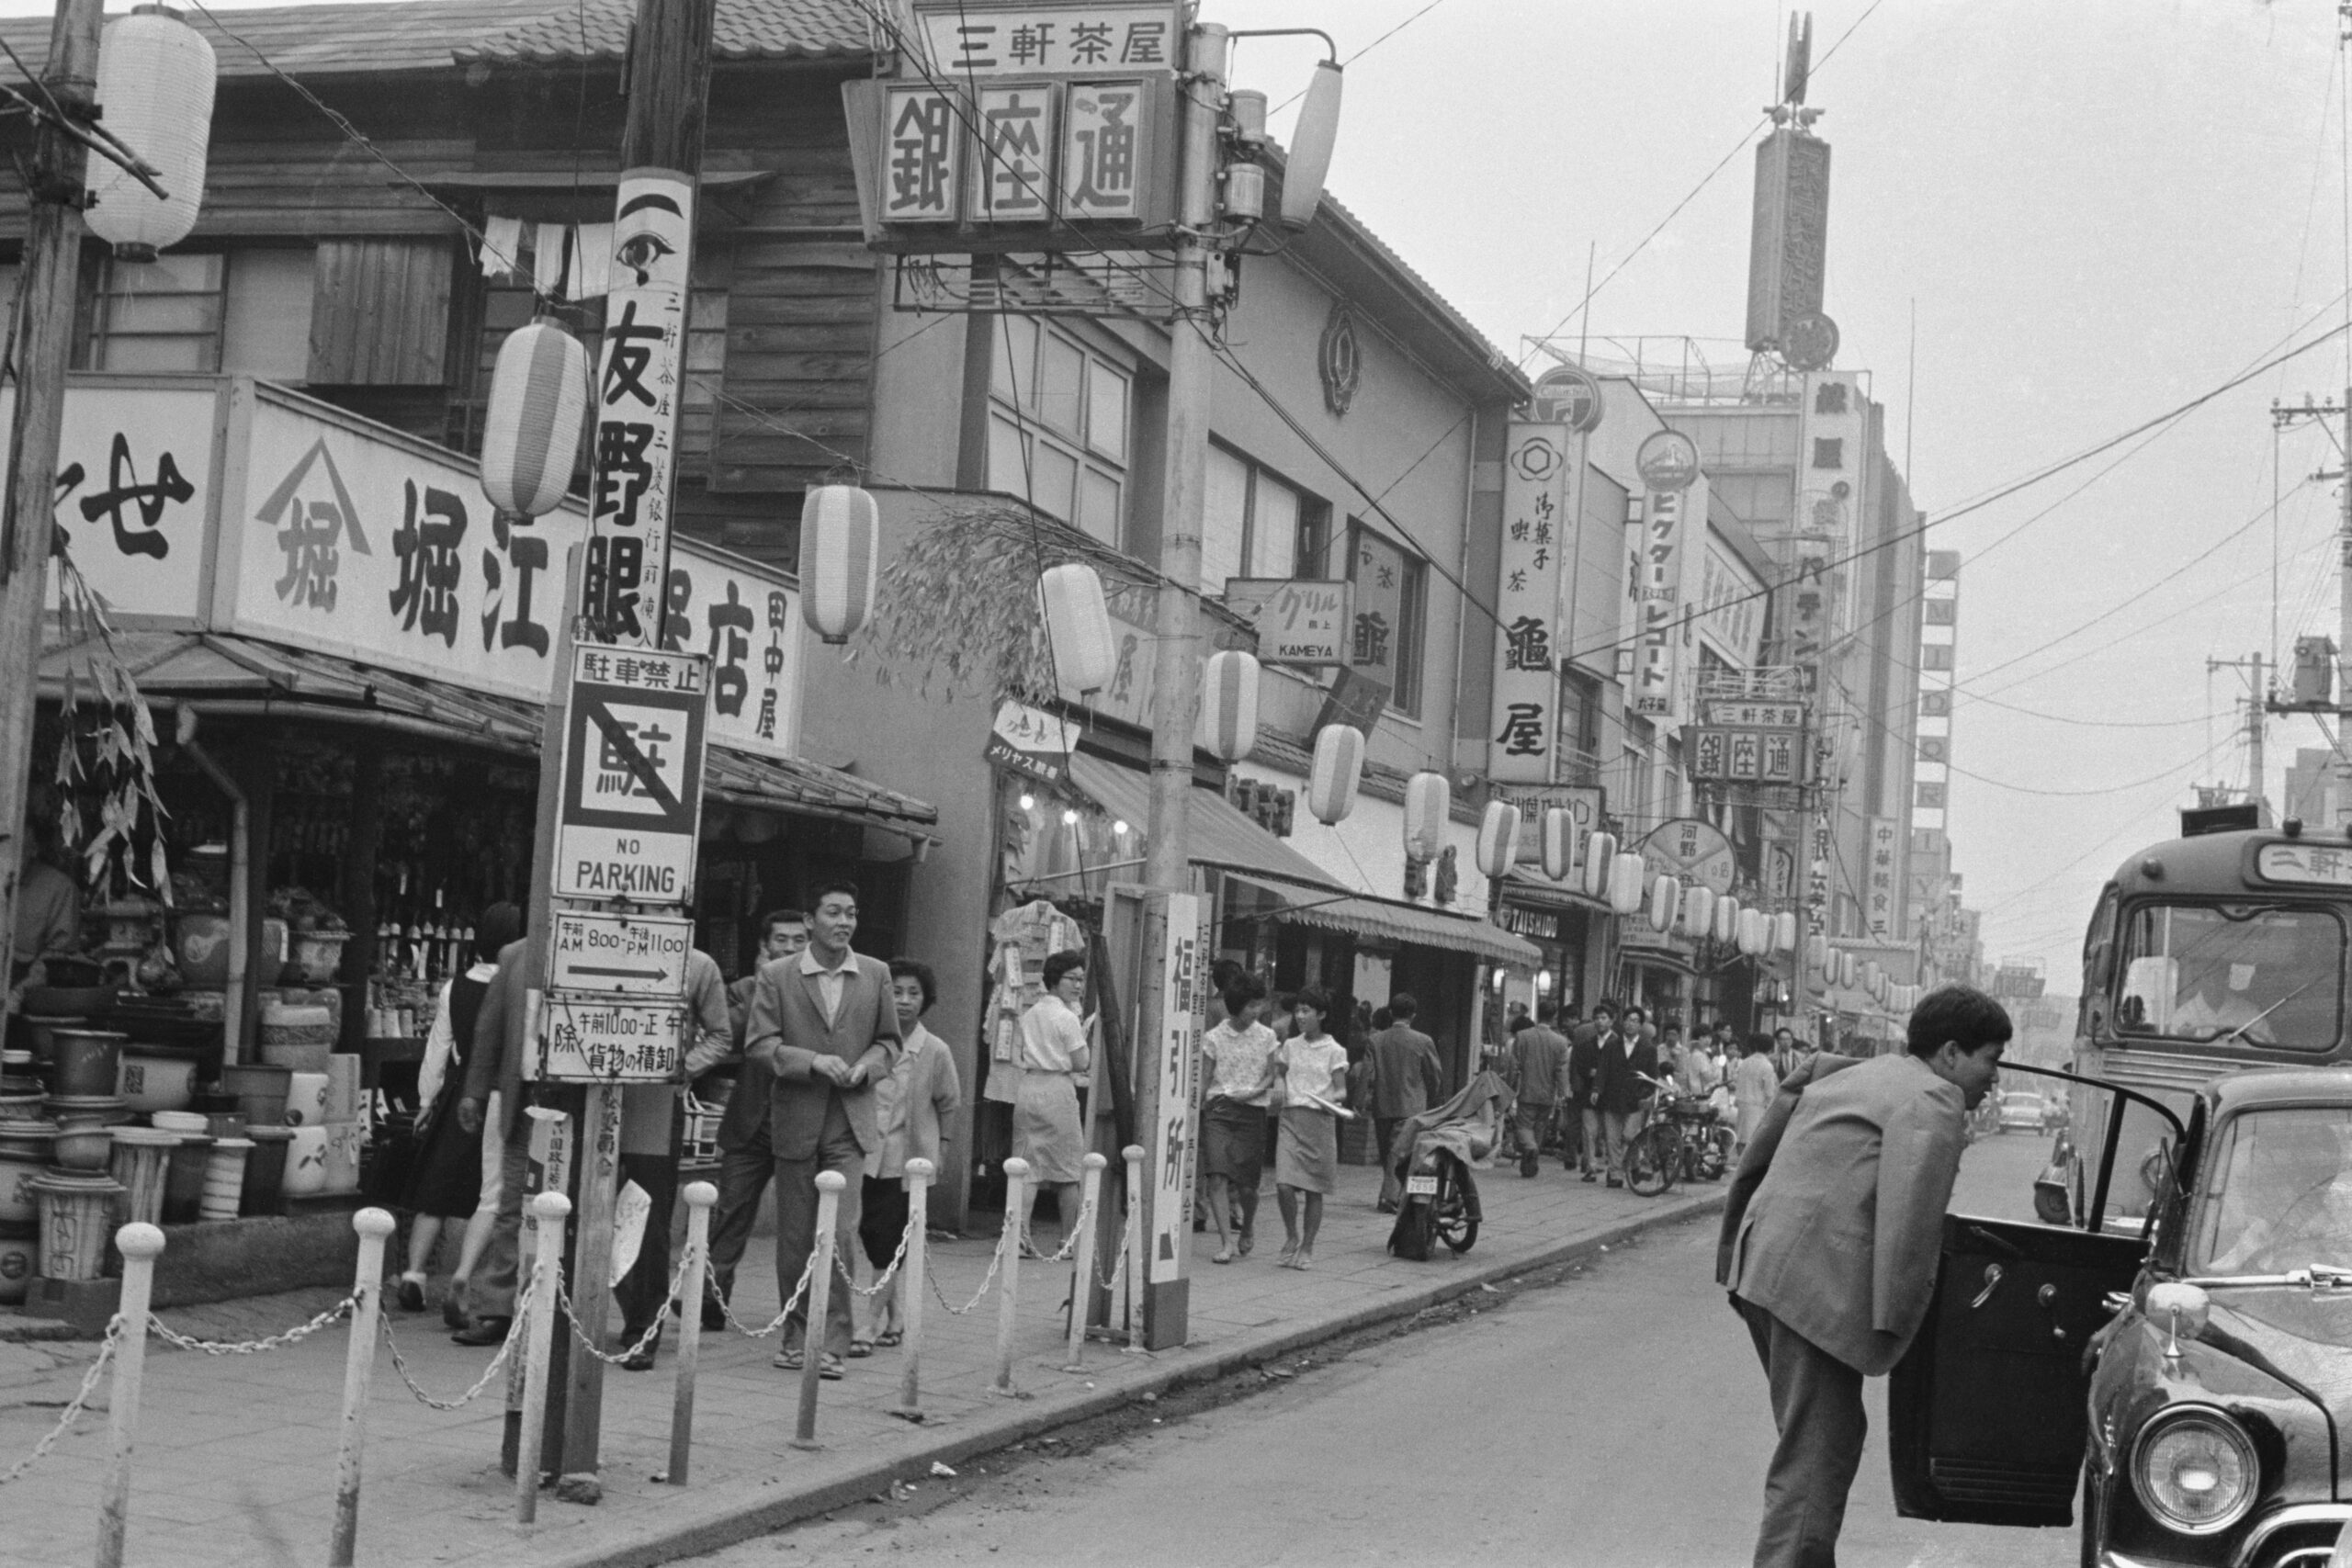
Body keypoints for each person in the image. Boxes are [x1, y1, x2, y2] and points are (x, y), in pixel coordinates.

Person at [1718, 984, 2008, 1568]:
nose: (1994, 1079)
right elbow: (1910, 1223)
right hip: (1814, 1285)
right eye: (1991, 1060)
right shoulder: (1934, 1099)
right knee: (1816, 1452)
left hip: (1764, 1266)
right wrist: (1902, 1323)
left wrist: (1735, 1242)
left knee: (1829, 1435)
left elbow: (1760, 1154)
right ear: (1951, 1053)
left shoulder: (1853, 1073)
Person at [742, 881, 900, 1380]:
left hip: (849, 1123)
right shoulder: (778, 975)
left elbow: (890, 1043)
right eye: (833, 912)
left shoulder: (875, 974)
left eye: (851, 913)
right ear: (810, 921)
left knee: (838, 1234)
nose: (844, 922)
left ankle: (833, 1342)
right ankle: (794, 1335)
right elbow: (760, 1045)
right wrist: (812, 1062)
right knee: (794, 1239)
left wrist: (868, 1068)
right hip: (795, 1119)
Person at [393, 902, 522, 1318]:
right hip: (504, 1094)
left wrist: (425, 1101)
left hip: (459, 1092)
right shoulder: (519, 985)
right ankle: (464, 1274)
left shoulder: (455, 987)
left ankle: (413, 1274)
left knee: (438, 1186)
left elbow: (438, 1047)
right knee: (494, 1193)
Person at [613, 942, 731, 1370]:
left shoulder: (698, 964)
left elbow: (720, 1035)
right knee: (572, 1209)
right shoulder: (589, 945)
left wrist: (679, 1068)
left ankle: (643, 1329)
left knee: (647, 1218)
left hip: (655, 1101)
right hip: (590, 1096)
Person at [703, 909, 808, 1326]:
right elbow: (730, 1036)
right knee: (730, 1213)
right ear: (764, 947)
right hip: (748, 1120)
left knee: (799, 1225)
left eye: (798, 940)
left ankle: (798, 1311)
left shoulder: (821, 994)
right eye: (780, 940)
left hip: (798, 1123)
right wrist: (767, 984)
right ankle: (710, 1299)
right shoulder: (743, 990)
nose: (788, 947)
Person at [854, 959, 962, 1352]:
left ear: (925, 999)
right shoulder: (869, 1040)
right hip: (865, 1155)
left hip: (907, 1163)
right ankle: (896, 1317)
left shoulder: (935, 1051)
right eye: (896, 991)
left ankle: (867, 1326)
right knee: (871, 1235)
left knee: (886, 1239)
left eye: (913, 993)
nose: (904, 1000)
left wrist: (943, 1150)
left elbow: (950, 1103)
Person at [451, 928, 540, 1346]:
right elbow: (489, 1029)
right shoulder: (515, 955)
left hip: (582, 1104)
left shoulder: (606, 949)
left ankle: (561, 1305)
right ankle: (496, 1310)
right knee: (510, 1206)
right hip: (523, 1098)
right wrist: (475, 1091)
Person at [1257, 986, 1349, 1270]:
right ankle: (1291, 1235)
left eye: (1306, 1011)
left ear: (1321, 1014)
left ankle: (1307, 1246)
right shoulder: (1290, 1046)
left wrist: (1328, 1099)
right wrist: (1280, 1086)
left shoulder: (1335, 1050)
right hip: (1291, 1120)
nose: (1300, 1016)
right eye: (1297, 1011)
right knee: (1284, 1184)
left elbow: (1341, 1091)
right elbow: (1279, 1074)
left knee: (1314, 1190)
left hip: (1319, 1122)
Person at [1012, 949, 1091, 1259]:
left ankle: (1021, 1237)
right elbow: (1081, 1060)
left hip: (1028, 1087)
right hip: (1058, 1090)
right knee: (1068, 1171)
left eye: (1081, 979)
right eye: (1072, 978)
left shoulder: (1030, 1014)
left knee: (1027, 1167)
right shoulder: (1067, 1017)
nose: (1078, 985)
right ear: (1055, 980)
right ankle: (1067, 1240)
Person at [1199, 978, 1276, 1263]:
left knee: (1247, 1185)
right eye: (1250, 1005)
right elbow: (1206, 1076)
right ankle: (1226, 1242)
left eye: (1259, 1004)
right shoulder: (1214, 1037)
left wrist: (1256, 1091)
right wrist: (1198, 1105)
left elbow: (1271, 1074)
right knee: (1217, 1175)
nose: (1256, 1010)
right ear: (1235, 1007)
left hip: (1253, 1111)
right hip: (1220, 1110)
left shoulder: (1266, 1036)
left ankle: (1247, 1224)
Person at [1363, 993, 1442, 1213]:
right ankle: (1390, 1197)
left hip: (1382, 1106)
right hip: (1411, 1106)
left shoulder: (1375, 1040)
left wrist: (1359, 1101)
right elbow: (1434, 1074)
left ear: (1391, 1013)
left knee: (1388, 1154)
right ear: (1413, 1016)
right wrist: (1434, 1098)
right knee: (1397, 1155)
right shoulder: (1423, 1041)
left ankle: (1388, 1195)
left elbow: (1367, 1074)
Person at [1503, 1002, 1570, 1178]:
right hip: (1548, 1092)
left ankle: (1530, 1149)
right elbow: (1561, 1071)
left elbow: (1514, 1065)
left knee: (1524, 1125)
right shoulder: (1560, 1042)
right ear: (1554, 1017)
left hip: (1527, 1089)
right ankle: (1532, 1157)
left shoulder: (1523, 1036)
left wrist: (1509, 1087)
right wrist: (1562, 1094)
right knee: (1541, 1126)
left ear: (1537, 1014)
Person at [1595, 1003, 1658, 1188]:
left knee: (1631, 1136)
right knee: (1612, 1139)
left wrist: (1646, 1094)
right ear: (1623, 1022)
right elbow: (1602, 1069)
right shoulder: (1612, 1044)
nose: (1631, 1024)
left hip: (1635, 1099)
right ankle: (1615, 1174)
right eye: (1628, 1020)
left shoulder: (1648, 1048)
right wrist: (1596, 1089)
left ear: (1641, 1025)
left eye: (1635, 1021)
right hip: (1612, 1096)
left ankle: (1634, 1164)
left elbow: (1652, 1075)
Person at [1568, 1001, 1617, 1182]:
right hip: (1589, 1093)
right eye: (1596, 1018)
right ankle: (1590, 1167)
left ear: (1611, 1021)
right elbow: (1580, 1067)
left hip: (1611, 1095)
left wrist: (1604, 1073)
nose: (1599, 1022)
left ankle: (1613, 1169)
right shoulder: (1586, 1045)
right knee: (1589, 1132)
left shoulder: (1618, 1044)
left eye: (1603, 1018)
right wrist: (1590, 1072)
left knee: (1611, 1134)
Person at [1731, 1033, 1781, 1154]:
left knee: (1741, 1136)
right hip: (1757, 1105)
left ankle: (1740, 1163)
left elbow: (1739, 1082)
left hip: (1742, 1103)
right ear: (1770, 1048)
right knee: (1753, 1138)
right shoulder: (1767, 1065)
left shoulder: (1745, 1062)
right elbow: (1769, 1091)